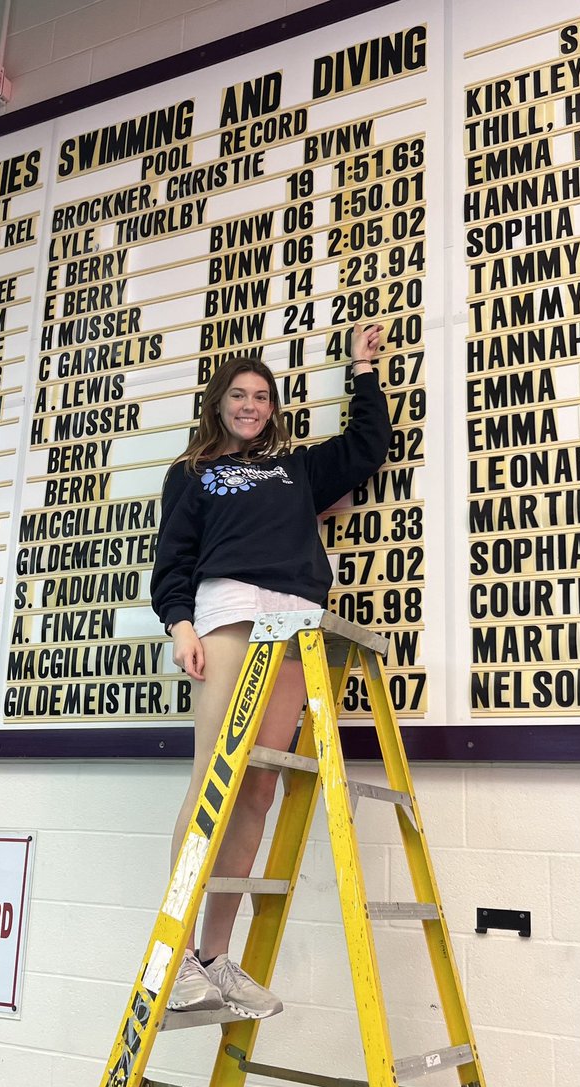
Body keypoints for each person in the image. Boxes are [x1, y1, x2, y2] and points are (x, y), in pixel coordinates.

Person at [150, 323, 391, 1018]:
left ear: (273, 407)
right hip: (227, 613)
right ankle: (175, 959)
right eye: (239, 394)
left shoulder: (298, 468)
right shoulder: (191, 472)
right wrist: (180, 623)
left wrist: (363, 368)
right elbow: (173, 557)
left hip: (296, 625)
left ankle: (216, 960)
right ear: (219, 403)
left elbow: (367, 447)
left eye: (261, 396)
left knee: (258, 792)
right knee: (211, 786)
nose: (250, 405)